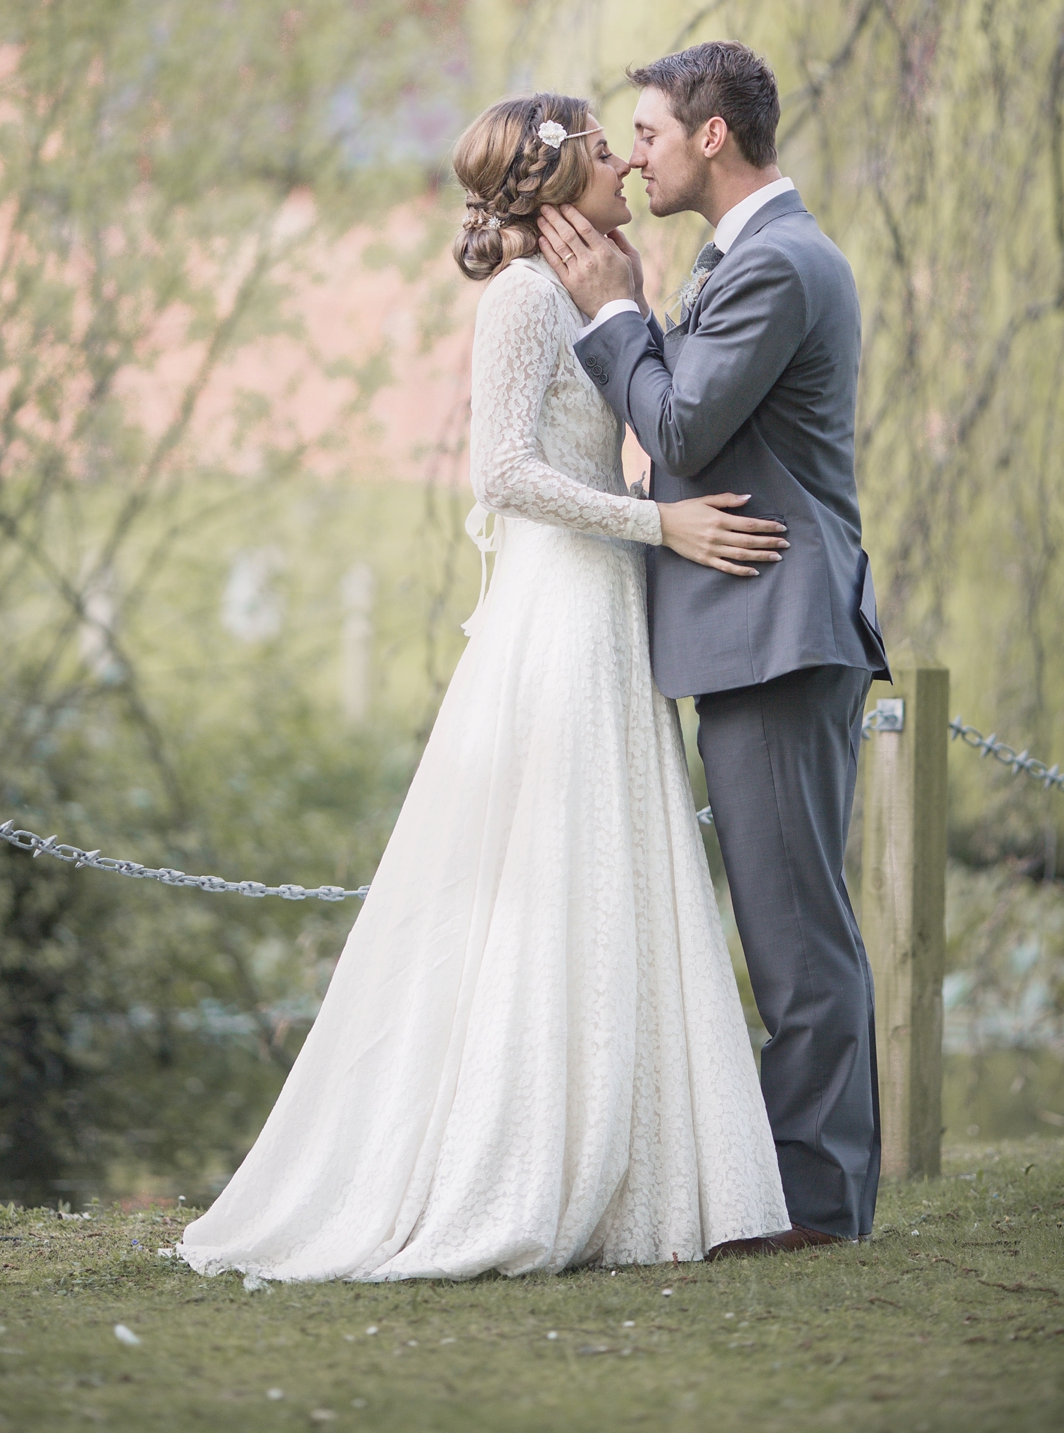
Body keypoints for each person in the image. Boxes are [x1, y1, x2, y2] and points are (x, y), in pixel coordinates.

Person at [179, 93, 792, 1284]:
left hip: (611, 601)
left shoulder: (592, 286)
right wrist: (654, 526)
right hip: (562, 605)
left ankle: (649, 1175)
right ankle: (520, 1165)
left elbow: (651, 411)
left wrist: (626, 309)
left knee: (617, 865)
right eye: (604, 149)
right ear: (559, 175)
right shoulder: (516, 299)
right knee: (553, 871)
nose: (625, 161)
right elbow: (505, 472)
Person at [538, 41, 890, 1251]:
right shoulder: (750, 258)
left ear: (710, 137)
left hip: (778, 631)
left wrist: (615, 314)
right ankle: (806, 1190)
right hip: (754, 629)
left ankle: (819, 1207)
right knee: (791, 927)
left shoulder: (779, 264)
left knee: (798, 938)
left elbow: (681, 423)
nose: (630, 157)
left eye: (645, 133)